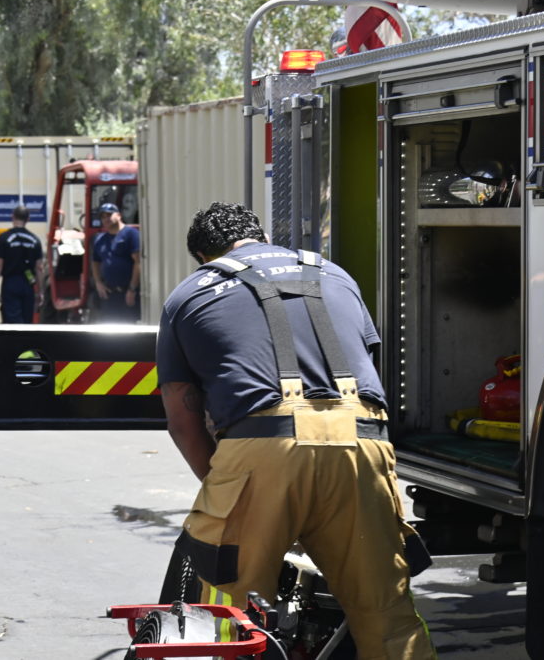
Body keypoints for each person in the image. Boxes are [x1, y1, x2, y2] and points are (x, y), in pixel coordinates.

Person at [156, 202, 436, 659]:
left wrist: (227, 491)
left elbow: (182, 421)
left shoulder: (189, 294)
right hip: (362, 441)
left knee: (228, 614)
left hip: (264, 445)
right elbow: (365, 366)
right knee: (388, 616)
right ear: (262, 237)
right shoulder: (335, 275)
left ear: (203, 256)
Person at [0, 204, 43, 324]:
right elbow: (39, 268)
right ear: (28, 219)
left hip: (10, 284)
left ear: (12, 217)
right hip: (28, 284)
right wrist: (40, 291)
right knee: (26, 323)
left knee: (12, 324)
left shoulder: (4, 238)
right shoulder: (35, 240)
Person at [92, 202, 141, 322]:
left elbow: (138, 262)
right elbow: (95, 262)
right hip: (108, 295)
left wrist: (132, 289)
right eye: (103, 216)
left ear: (119, 215)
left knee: (129, 328)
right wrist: (98, 282)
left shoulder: (131, 234)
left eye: (109, 215)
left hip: (127, 294)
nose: (106, 219)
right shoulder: (100, 239)